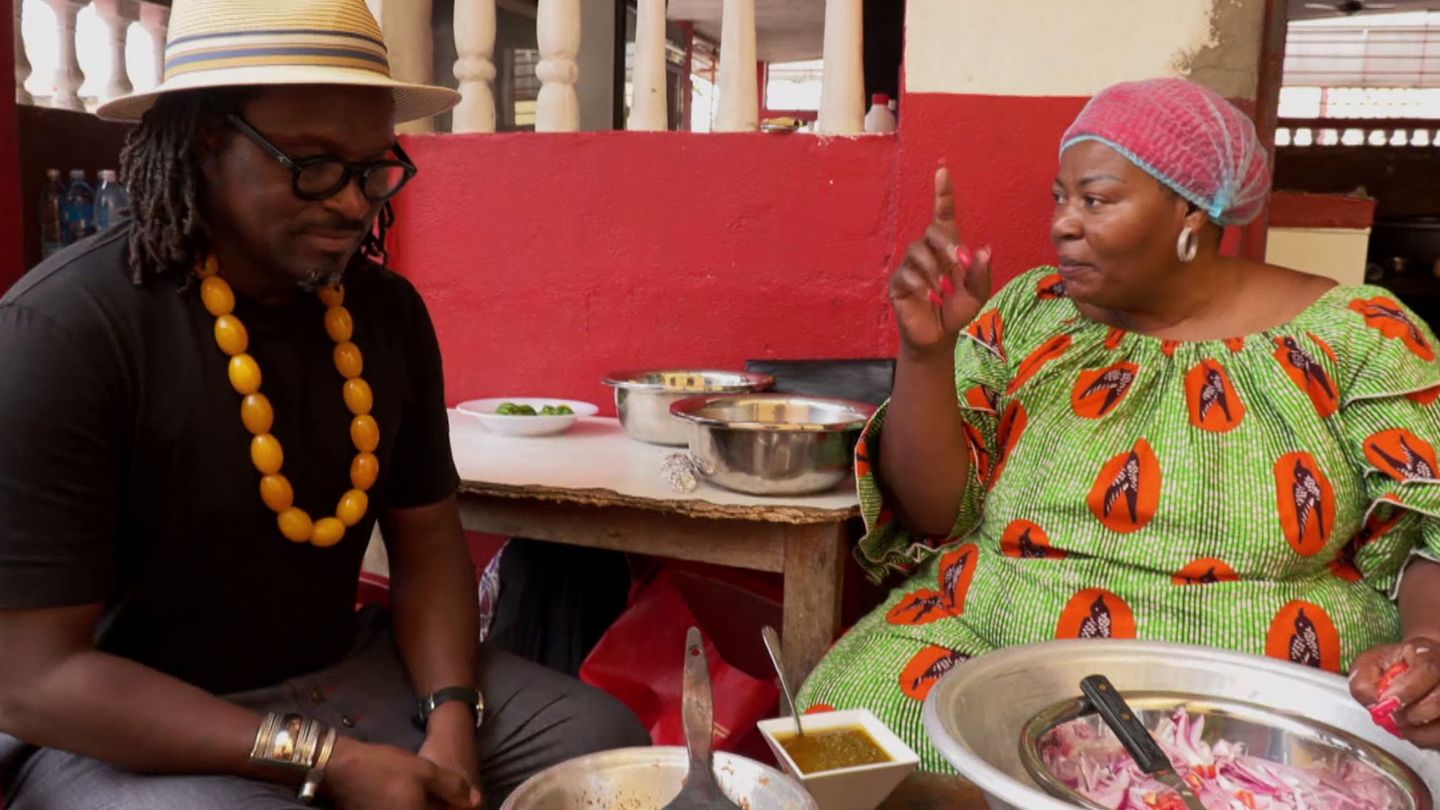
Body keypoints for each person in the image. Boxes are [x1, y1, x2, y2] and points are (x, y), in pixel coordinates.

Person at [0, 1, 649, 807]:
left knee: (602, 747)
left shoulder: (383, 313)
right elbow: (33, 679)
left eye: (374, 166)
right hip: (125, 727)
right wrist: (327, 760)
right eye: (312, 163)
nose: (352, 202)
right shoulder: (63, 331)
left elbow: (427, 548)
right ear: (206, 139)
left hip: (349, 671)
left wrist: (453, 719)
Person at [797, 78, 1440, 769]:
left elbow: (1427, 525)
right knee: (836, 743)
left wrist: (1428, 643)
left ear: (1190, 212)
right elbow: (935, 513)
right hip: (990, 643)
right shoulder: (1032, 313)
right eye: (1060, 198)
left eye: (1094, 200)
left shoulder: (1353, 339)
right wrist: (926, 353)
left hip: (1244, 690)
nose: (1062, 223)